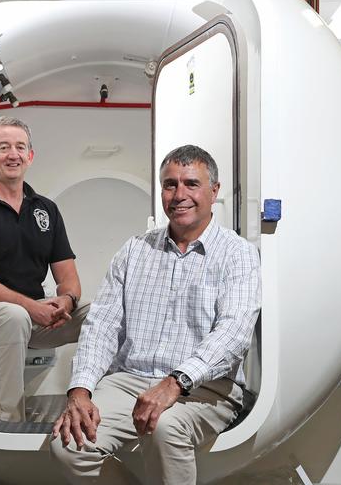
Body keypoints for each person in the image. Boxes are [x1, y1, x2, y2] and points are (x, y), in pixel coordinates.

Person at [50, 145, 261, 485]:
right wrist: (80, 389)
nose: (179, 195)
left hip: (207, 388)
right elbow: (102, 325)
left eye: (191, 184)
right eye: (170, 184)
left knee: (164, 427)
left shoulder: (237, 254)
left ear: (214, 191)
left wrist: (177, 381)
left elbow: (233, 332)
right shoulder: (135, 250)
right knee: (70, 444)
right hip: (129, 379)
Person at [0, 116, 90, 422]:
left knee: (103, 315)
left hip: (37, 317)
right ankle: (6, 422)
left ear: (30, 156)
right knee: (12, 316)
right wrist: (31, 308)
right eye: (4, 147)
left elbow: (68, 279)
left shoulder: (46, 210)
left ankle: (99, 404)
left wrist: (64, 302)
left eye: (20, 147)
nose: (13, 154)